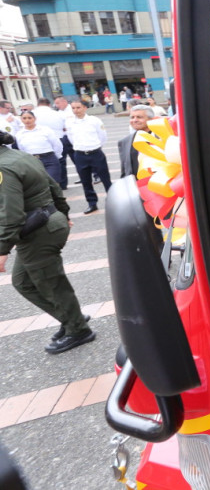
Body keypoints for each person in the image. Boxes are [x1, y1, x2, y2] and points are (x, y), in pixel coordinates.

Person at [0, 131, 95, 354]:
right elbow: (53, 186)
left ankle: (79, 330)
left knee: (51, 284)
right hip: (49, 222)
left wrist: (2, 250)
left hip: (39, 231)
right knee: (23, 282)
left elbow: (11, 214)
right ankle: (72, 317)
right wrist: (63, 213)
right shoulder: (20, 156)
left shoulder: (3, 168)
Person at [65, 99, 111, 214]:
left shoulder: (94, 120)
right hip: (80, 155)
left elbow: (103, 136)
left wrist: (95, 146)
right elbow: (71, 138)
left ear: (85, 108)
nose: (76, 110)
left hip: (95, 153)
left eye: (78, 107)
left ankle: (113, 201)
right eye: (73, 108)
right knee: (86, 181)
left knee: (105, 179)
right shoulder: (69, 123)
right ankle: (92, 203)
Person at [15, 111, 62, 184]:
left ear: (35, 118)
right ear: (21, 119)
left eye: (29, 118)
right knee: (40, 185)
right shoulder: (19, 134)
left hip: (49, 159)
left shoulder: (45, 130)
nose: (27, 120)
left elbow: (56, 144)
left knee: (53, 183)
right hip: (32, 161)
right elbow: (22, 149)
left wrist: (57, 156)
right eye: (24, 118)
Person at [118, 104, 154, 179]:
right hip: (136, 184)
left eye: (139, 117)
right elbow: (124, 171)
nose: (135, 120)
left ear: (150, 119)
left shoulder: (162, 138)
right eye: (132, 117)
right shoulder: (124, 142)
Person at [52, 96, 75, 189]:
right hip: (63, 138)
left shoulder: (73, 109)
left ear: (64, 101)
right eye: (55, 104)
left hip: (73, 137)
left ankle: (95, 175)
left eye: (58, 103)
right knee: (62, 161)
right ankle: (63, 184)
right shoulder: (58, 113)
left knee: (79, 159)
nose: (56, 105)